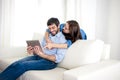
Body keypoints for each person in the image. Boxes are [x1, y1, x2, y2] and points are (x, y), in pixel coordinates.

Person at [0, 17, 67, 80]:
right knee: (16, 63)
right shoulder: (47, 35)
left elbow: (58, 58)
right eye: (49, 28)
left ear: (58, 26)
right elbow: (40, 49)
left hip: (50, 62)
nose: (51, 30)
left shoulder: (62, 38)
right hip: (39, 56)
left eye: (53, 27)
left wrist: (42, 55)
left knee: (22, 65)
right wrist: (33, 51)